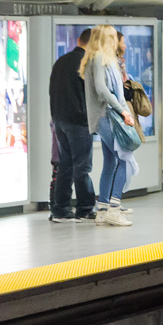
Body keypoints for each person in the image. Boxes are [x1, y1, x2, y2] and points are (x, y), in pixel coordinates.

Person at [81, 25, 136, 227]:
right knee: (124, 158)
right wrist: (123, 111)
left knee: (111, 162)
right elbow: (102, 89)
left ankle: (102, 210)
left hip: (106, 116)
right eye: (113, 37)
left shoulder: (100, 59)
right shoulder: (100, 59)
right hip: (107, 116)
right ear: (107, 40)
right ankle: (114, 208)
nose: (117, 42)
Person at [48, 28, 96, 222]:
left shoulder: (61, 61)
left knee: (65, 165)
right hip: (79, 122)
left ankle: (60, 210)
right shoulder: (86, 64)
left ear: (78, 40)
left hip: (59, 120)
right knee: (82, 166)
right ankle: (84, 209)